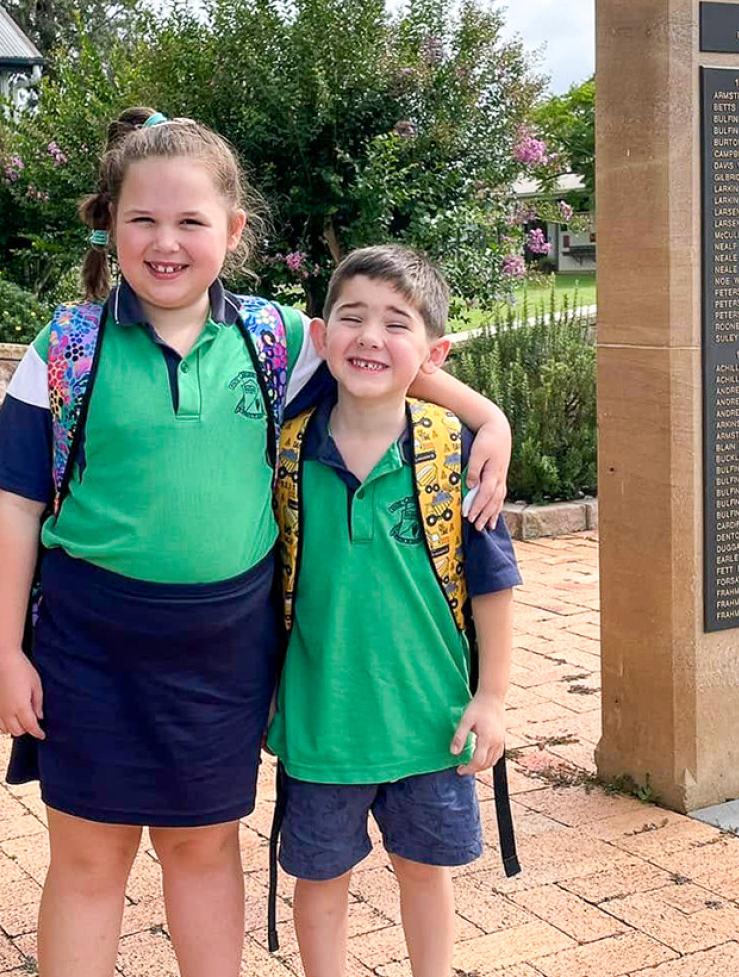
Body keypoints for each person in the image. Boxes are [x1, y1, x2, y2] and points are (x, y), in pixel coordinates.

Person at [0, 108, 512, 977]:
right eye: (142, 219)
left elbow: (384, 359)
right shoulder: (66, 348)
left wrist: (489, 416)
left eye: (191, 222)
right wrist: (2, 651)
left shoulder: (277, 340)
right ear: (110, 221)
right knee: (87, 860)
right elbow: (14, 509)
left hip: (225, 654)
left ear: (233, 229)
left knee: (203, 850)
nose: (165, 242)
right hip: (88, 647)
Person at [267, 245, 522, 977]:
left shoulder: (457, 453)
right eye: (352, 318)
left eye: (396, 323)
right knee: (317, 879)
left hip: (431, 723)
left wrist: (492, 697)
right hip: (321, 727)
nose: (371, 337)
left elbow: (494, 583)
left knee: (424, 871)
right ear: (321, 336)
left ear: (434, 352)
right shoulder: (286, 452)